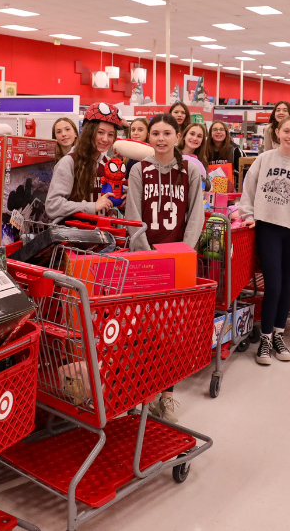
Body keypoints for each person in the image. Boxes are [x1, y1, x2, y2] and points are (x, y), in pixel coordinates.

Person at [124, 113, 205, 422]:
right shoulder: (139, 170)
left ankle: (167, 394)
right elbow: (133, 217)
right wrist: (147, 254)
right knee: (141, 328)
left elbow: (195, 214)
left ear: (177, 135)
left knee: (169, 330)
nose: (160, 138)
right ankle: (139, 390)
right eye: (155, 132)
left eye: (166, 132)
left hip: (176, 259)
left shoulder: (190, 171)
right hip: (144, 260)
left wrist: (182, 251)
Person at [233, 115, 290, 366]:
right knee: (273, 285)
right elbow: (247, 191)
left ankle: (279, 336)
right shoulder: (264, 159)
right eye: (286, 131)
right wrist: (248, 216)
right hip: (268, 229)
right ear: (277, 132)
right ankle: (265, 338)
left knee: (285, 287)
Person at [46, 103, 125, 220]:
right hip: (74, 235)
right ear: (89, 132)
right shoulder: (69, 162)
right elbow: (52, 206)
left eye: (110, 135)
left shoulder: (108, 163)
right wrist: (92, 207)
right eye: (100, 132)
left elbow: (110, 200)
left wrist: (122, 203)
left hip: (103, 234)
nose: (105, 139)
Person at [202, 120, 243, 189]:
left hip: (230, 189)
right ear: (210, 133)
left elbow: (243, 171)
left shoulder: (235, 149)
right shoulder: (203, 149)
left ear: (226, 133)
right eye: (215, 130)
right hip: (209, 189)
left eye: (221, 129)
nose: (218, 132)